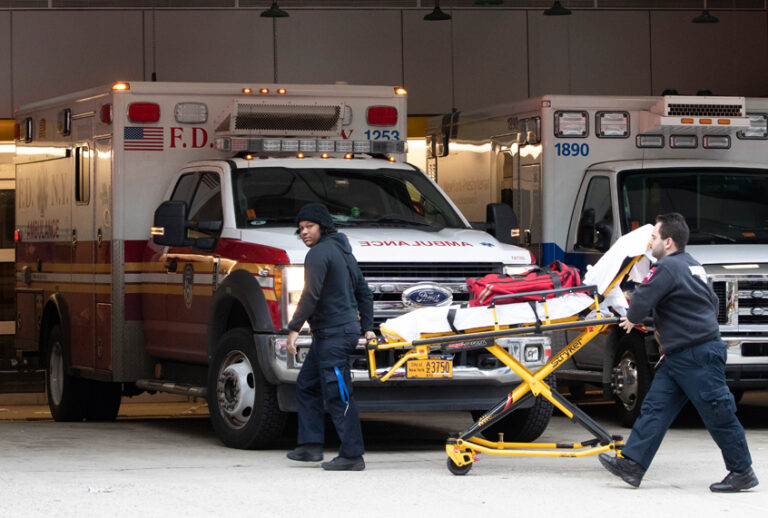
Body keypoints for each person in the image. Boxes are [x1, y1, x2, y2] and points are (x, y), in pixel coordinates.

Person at [599, 213, 758, 492]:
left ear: (668, 242)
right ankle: (633, 465)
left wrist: (633, 317)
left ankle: (742, 471)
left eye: (655, 237)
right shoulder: (693, 266)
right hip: (681, 356)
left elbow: (642, 301)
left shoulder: (667, 267)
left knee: (718, 412)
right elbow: (711, 301)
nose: (651, 242)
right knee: (654, 409)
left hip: (696, 356)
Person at [285, 202, 375, 471]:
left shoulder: (318, 254)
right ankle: (310, 447)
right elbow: (364, 292)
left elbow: (310, 295)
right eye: (300, 228)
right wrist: (368, 326)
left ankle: (352, 455)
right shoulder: (342, 251)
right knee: (308, 385)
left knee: (339, 394)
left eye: (309, 226)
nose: (304, 232)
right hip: (334, 333)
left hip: (334, 335)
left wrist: (293, 328)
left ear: (323, 226)